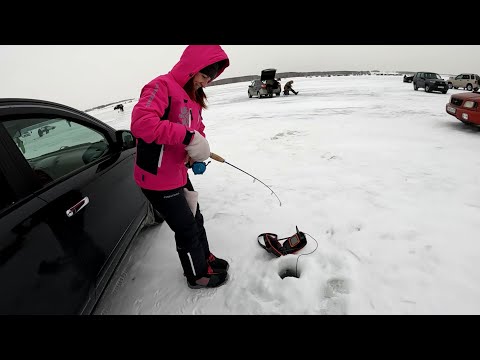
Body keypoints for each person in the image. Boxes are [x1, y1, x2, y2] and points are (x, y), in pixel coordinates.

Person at [130, 45, 230, 289]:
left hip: (176, 173)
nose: (206, 83)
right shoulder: (160, 86)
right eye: (204, 76)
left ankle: (204, 258)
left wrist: (195, 151)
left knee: (196, 219)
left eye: (210, 79)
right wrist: (187, 138)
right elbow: (142, 124)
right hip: (157, 179)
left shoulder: (193, 97)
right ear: (192, 69)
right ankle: (197, 275)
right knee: (186, 228)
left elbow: (197, 128)